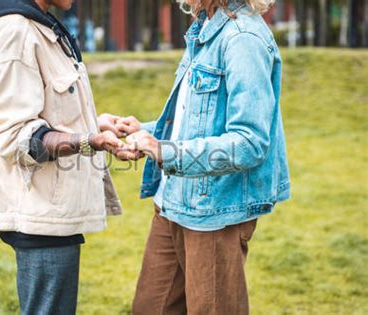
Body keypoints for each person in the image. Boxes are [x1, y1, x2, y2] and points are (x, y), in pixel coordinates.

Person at [116, 0, 291, 314]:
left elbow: (249, 142)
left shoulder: (242, 38)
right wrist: (145, 132)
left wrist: (163, 151)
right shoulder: (204, 27)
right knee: (150, 308)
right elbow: (196, 121)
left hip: (214, 212)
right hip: (172, 201)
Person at [0, 0, 137, 313]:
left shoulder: (41, 25)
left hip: (50, 213)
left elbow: (45, 109)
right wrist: (90, 140)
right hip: (38, 215)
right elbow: (17, 136)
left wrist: (95, 124)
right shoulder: (14, 32)